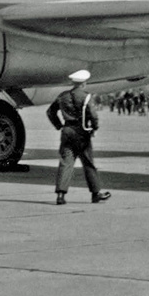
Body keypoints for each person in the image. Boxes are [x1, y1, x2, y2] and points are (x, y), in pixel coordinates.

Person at [47, 69, 111, 206]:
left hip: (67, 130)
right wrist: (94, 127)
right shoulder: (86, 96)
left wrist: (58, 125)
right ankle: (95, 193)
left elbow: (50, 111)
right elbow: (93, 115)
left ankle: (60, 195)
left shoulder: (63, 96)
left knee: (66, 162)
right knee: (88, 162)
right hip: (81, 133)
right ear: (84, 83)